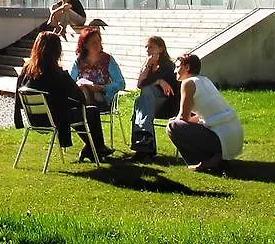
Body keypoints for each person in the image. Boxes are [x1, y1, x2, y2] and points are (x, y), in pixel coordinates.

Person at [13, 31, 101, 163]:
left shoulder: (27, 70)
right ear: (57, 51)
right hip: (54, 120)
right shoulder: (56, 73)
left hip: (34, 118)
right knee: (90, 111)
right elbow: (79, 97)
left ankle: (93, 149)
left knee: (70, 111)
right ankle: (96, 149)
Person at [167, 53, 244, 173]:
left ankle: (206, 161)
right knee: (176, 123)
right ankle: (218, 158)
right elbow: (205, 115)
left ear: (187, 67)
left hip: (222, 138)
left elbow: (183, 117)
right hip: (235, 137)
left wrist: (175, 121)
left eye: (177, 67)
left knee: (173, 127)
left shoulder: (188, 83)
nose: (174, 71)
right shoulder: (205, 80)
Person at [69, 26, 125, 158]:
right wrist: (79, 84)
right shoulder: (79, 61)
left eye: (99, 41)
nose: (97, 45)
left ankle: (91, 147)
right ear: (85, 44)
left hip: (103, 99)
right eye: (93, 42)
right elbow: (70, 83)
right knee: (83, 89)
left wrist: (101, 88)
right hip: (84, 99)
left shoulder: (108, 60)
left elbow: (121, 83)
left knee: (83, 109)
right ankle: (95, 147)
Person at [125, 36, 180, 162]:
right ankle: (144, 148)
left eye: (151, 47)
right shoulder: (148, 65)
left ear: (160, 49)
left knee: (144, 97)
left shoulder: (168, 66)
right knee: (141, 99)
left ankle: (143, 147)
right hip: (150, 104)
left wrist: (157, 80)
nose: (148, 50)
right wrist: (156, 78)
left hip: (167, 105)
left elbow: (146, 84)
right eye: (146, 47)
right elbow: (140, 83)